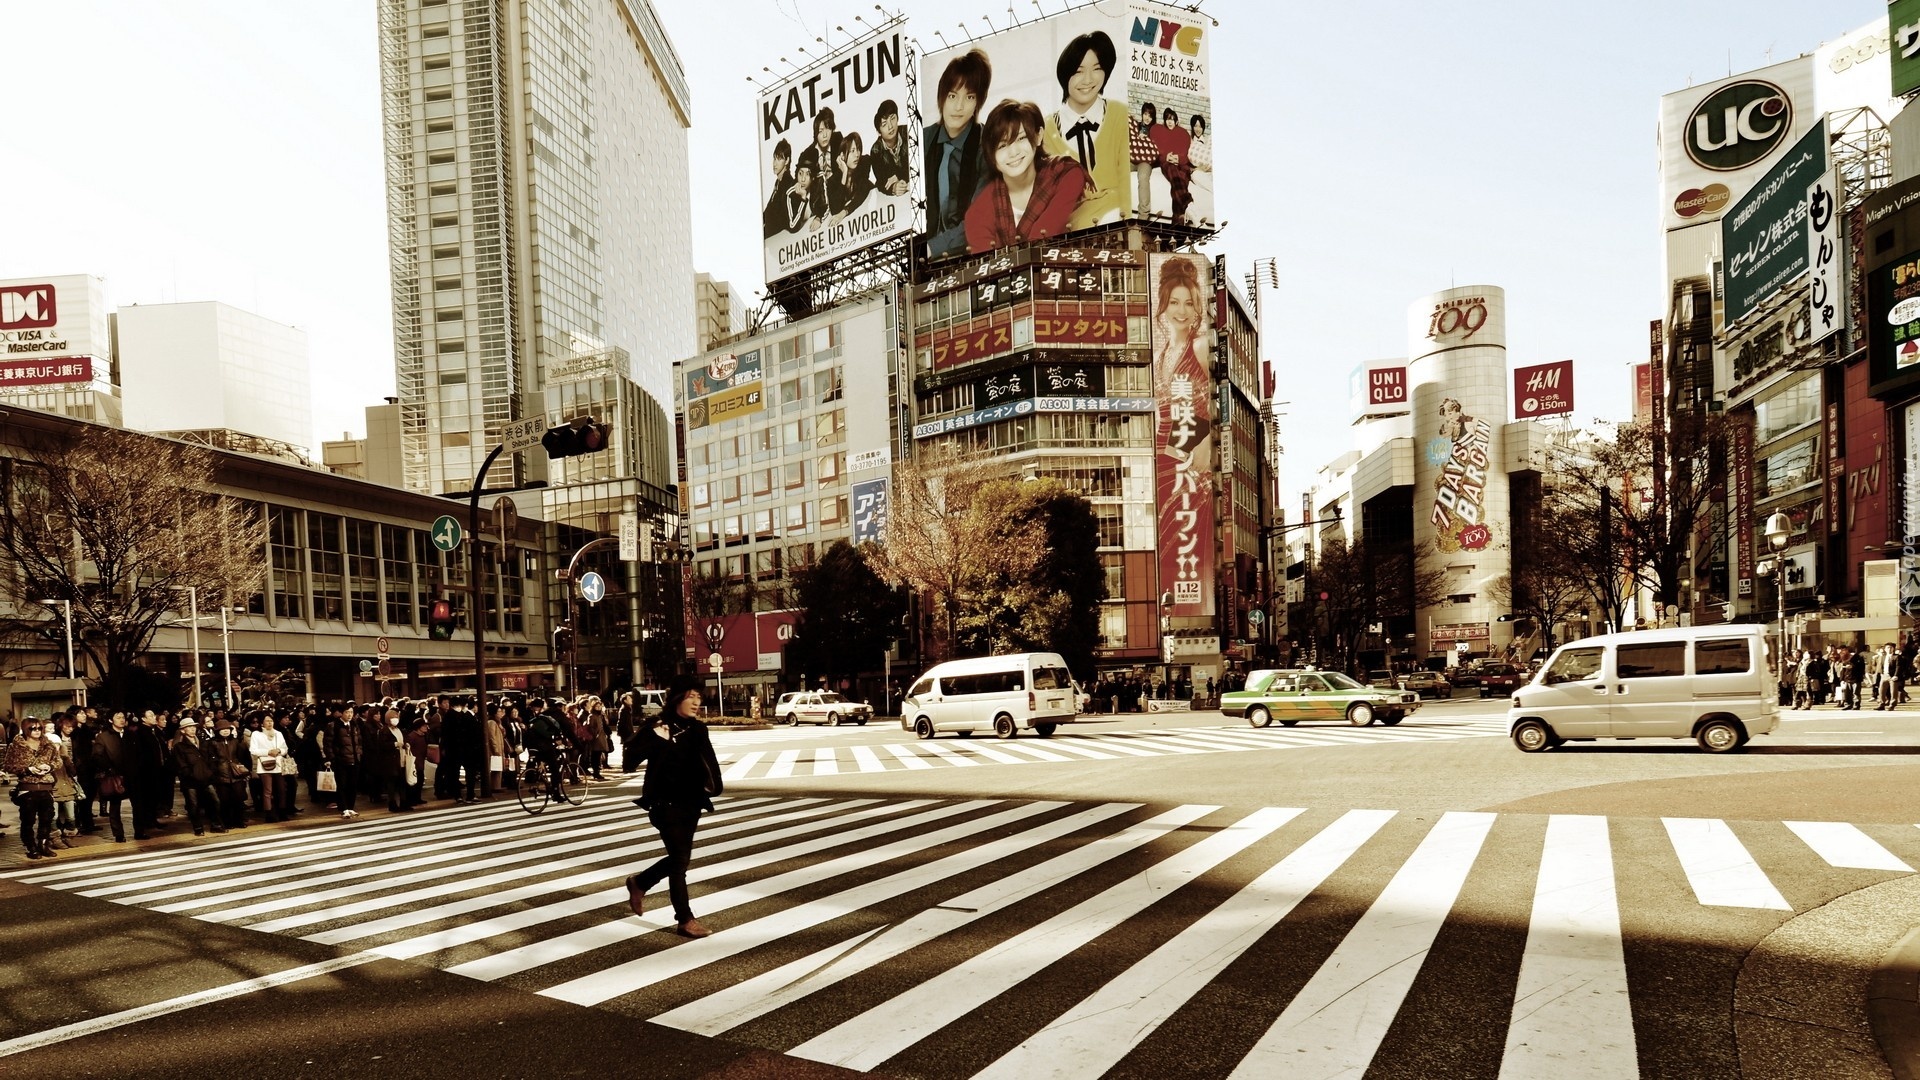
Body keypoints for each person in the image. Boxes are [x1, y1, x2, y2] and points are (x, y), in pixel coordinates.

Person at [623, 675, 724, 938]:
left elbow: (710, 765)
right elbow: (629, 760)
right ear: (677, 698)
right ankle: (685, 920)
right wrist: (655, 738)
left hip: (692, 803)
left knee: (680, 859)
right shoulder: (657, 727)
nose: (696, 701)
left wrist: (713, 788)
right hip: (664, 803)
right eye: (691, 696)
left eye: (699, 697)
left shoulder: (698, 729)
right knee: (679, 861)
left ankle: (640, 882)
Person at [963, 99, 1089, 254]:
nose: (1013, 152)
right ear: (990, 155)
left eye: (1021, 138)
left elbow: (1043, 234)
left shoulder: (1066, 175)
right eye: (1002, 146)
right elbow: (990, 268)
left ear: (1038, 136)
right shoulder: (977, 214)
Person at [1041, 30, 1128, 230]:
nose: (1088, 79)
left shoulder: (1119, 114)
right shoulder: (1045, 130)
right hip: (1067, 230)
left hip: (1115, 219)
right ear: (1065, 75)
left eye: (1097, 68)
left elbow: (1125, 181)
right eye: (1078, 71)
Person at [923, 49, 992, 259]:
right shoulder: (923, 139)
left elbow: (979, 218)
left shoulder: (986, 144)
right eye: (952, 95)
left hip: (972, 256)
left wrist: (930, 248)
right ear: (942, 97)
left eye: (969, 97)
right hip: (922, 261)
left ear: (978, 103)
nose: (959, 107)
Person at [4, 717, 61, 860]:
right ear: (25, 729)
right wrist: (29, 769)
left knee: (47, 818)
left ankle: (43, 844)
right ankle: (31, 847)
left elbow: (58, 760)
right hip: (27, 788)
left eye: (39, 728)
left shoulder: (48, 745)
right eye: (32, 728)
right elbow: (8, 765)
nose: (36, 731)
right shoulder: (16, 746)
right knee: (28, 820)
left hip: (46, 786)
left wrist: (50, 766)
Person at [167, 717, 225, 836]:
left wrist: (210, 772)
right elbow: (181, 765)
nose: (193, 729)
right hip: (190, 781)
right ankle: (198, 828)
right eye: (189, 727)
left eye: (194, 727)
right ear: (183, 730)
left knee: (215, 801)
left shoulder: (203, 743)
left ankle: (216, 825)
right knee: (193, 805)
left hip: (206, 778)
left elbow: (211, 758)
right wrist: (190, 774)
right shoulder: (179, 747)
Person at [91, 711, 135, 842]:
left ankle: (140, 830)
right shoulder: (103, 737)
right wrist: (109, 768)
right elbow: (97, 756)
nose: (122, 720)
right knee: (115, 805)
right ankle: (118, 834)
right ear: (111, 720)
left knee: (137, 803)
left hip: (132, 774)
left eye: (123, 717)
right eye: (118, 717)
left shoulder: (130, 734)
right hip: (114, 775)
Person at [1149, 107, 1195, 222]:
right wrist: (1166, 157)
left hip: (1182, 164)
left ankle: (1177, 220)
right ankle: (1188, 203)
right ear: (1165, 120)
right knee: (1173, 172)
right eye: (1168, 119)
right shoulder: (1158, 130)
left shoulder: (1183, 133)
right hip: (1168, 164)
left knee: (1180, 180)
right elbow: (1157, 150)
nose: (1170, 122)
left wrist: (1178, 158)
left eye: (1172, 119)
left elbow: (1186, 153)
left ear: (1176, 121)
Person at [208, 717, 251, 829]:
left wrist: (245, 771)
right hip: (221, 776)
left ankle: (239, 821)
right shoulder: (212, 743)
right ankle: (227, 822)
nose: (225, 731)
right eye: (222, 729)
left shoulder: (236, 741)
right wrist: (214, 774)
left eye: (227, 728)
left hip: (236, 774)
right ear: (217, 731)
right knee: (225, 801)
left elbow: (244, 757)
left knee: (238, 799)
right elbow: (211, 761)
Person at [324, 703, 365, 819]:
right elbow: (328, 744)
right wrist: (332, 758)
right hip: (340, 760)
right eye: (347, 712)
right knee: (342, 785)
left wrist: (359, 753)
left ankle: (351, 807)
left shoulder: (354, 725)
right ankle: (343, 808)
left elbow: (360, 741)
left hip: (354, 759)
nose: (349, 715)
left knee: (353, 784)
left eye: (351, 712)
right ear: (342, 713)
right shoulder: (333, 725)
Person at [868, 99, 911, 197]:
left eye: (892, 118)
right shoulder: (876, 150)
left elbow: (920, 160)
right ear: (879, 131)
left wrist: (899, 176)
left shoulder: (908, 132)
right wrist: (894, 187)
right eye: (884, 124)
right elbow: (881, 181)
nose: (890, 126)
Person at [828, 130, 873, 223]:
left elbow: (862, 193)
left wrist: (844, 212)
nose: (857, 154)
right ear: (842, 156)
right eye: (852, 151)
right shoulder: (833, 181)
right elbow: (835, 210)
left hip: (870, 214)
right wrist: (844, 174)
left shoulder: (864, 163)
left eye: (858, 149)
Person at [761, 139, 795, 239]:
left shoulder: (788, 183)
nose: (774, 163)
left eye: (779, 159)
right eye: (774, 158)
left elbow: (781, 218)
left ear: (787, 161)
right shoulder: (779, 182)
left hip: (778, 237)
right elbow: (769, 208)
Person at [1129, 102, 1159, 216]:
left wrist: (1147, 141)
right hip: (1132, 158)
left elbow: (1156, 151)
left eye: (1150, 116)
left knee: (1143, 178)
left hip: (1145, 162)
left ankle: (1143, 215)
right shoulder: (1134, 126)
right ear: (1142, 114)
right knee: (1118, 168)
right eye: (1146, 114)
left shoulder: (1155, 130)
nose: (1147, 118)